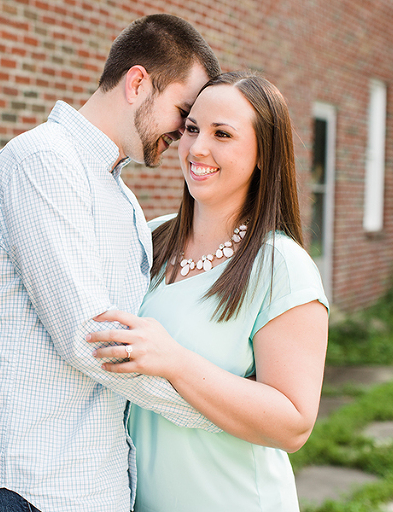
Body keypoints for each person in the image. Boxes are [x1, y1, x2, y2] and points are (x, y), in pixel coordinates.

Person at [0, 14, 222, 512]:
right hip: (33, 486)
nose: (185, 136)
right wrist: (219, 409)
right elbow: (93, 339)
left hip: (96, 484)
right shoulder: (42, 162)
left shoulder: (122, 197)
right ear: (139, 83)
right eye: (183, 113)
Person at [88, 71, 330, 512]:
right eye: (193, 129)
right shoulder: (150, 237)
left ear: (263, 155)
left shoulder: (282, 267)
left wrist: (175, 362)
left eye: (223, 134)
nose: (198, 148)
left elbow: (293, 424)